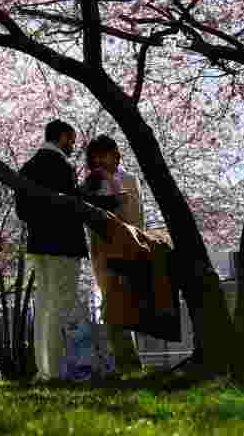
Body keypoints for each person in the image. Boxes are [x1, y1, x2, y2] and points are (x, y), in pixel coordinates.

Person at [15, 119, 92, 381]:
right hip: (64, 245)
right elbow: (72, 205)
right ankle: (58, 370)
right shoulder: (62, 166)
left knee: (44, 304)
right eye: (70, 140)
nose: (72, 146)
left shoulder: (28, 167)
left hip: (39, 243)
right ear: (60, 137)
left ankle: (45, 369)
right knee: (62, 303)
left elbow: (22, 211)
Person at [83, 136, 145, 374]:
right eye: (97, 155)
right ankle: (126, 361)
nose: (101, 160)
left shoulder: (129, 179)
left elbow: (135, 215)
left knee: (123, 304)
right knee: (110, 304)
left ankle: (128, 362)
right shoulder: (92, 182)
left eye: (109, 153)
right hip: (102, 249)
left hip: (127, 244)